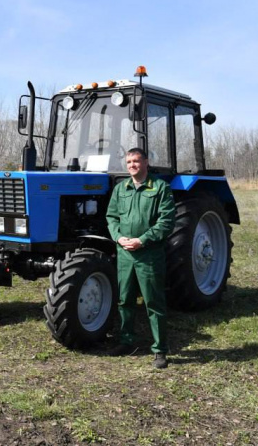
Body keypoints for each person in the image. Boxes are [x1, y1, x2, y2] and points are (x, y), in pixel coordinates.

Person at [105, 147, 176, 369]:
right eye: (129, 162)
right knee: (125, 300)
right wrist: (118, 238)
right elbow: (111, 217)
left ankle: (160, 350)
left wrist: (143, 240)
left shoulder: (160, 188)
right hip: (125, 254)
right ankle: (127, 342)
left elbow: (166, 221)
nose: (132, 165)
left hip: (149, 254)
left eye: (136, 161)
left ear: (146, 162)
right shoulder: (120, 189)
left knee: (153, 302)